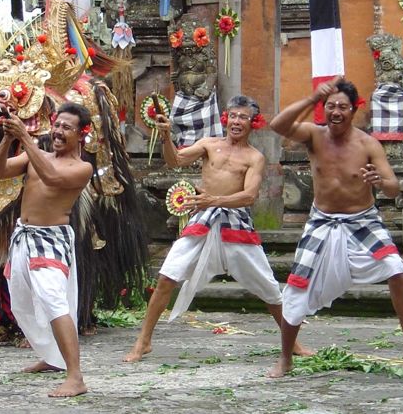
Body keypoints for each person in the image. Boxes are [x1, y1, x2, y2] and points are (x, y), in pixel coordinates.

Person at [267, 77, 403, 378]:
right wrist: (311, 99)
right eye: (330, 106)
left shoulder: (367, 143)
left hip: (363, 220)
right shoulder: (313, 135)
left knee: (396, 268)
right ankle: (285, 358)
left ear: (353, 110)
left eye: (342, 107)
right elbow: (277, 125)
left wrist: (380, 182)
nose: (336, 112)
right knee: (296, 286)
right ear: (324, 108)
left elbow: (394, 188)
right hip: (322, 221)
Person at [123, 96, 311, 363]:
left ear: (253, 122)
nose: (236, 121)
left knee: (269, 288)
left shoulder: (255, 157)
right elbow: (176, 160)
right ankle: (143, 341)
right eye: (233, 115)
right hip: (203, 221)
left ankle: (294, 343)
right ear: (225, 118)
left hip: (236, 224)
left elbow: (249, 196)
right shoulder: (209, 145)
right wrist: (165, 136)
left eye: (243, 117)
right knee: (167, 276)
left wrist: (214, 200)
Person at [0, 102, 93, 397]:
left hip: (51, 240)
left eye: (66, 127)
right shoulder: (37, 155)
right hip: (23, 237)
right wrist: (8, 139)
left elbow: (52, 178)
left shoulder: (82, 168)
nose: (58, 131)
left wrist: (24, 137)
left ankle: (76, 377)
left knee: (52, 299)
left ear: (81, 134)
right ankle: (52, 357)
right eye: (57, 125)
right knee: (22, 302)